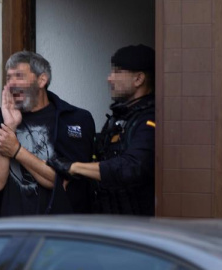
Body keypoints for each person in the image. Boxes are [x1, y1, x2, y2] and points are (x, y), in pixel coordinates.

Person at [0, 51, 96, 218]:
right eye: (9, 78)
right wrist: (9, 127)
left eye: (19, 76)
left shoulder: (74, 120)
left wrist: (17, 151)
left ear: (42, 80)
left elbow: (62, 182)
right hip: (10, 231)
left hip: (59, 232)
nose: (12, 84)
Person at [48, 44, 156, 216]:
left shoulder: (149, 120)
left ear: (138, 79)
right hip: (109, 220)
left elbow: (132, 166)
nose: (109, 79)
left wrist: (74, 167)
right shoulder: (119, 117)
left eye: (117, 72)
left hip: (138, 226)